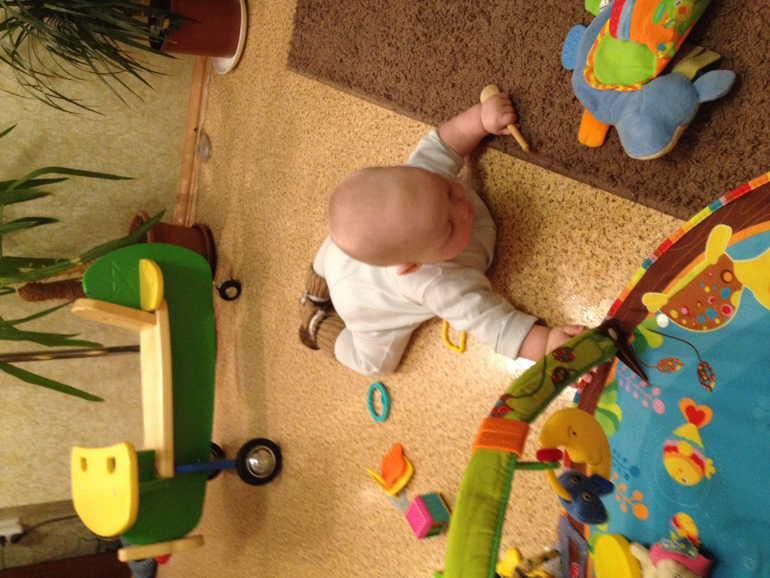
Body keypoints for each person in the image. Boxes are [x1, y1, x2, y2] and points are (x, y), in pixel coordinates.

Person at [299, 92, 584, 376]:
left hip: (339, 258)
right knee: (375, 364)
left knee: (341, 238)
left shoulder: (420, 180)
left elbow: (445, 142)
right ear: (414, 265)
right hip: (363, 308)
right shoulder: (437, 283)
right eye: (449, 227)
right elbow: (491, 324)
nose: (463, 209)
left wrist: (480, 119)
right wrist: (546, 344)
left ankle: (315, 286)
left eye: (448, 190)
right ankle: (315, 324)